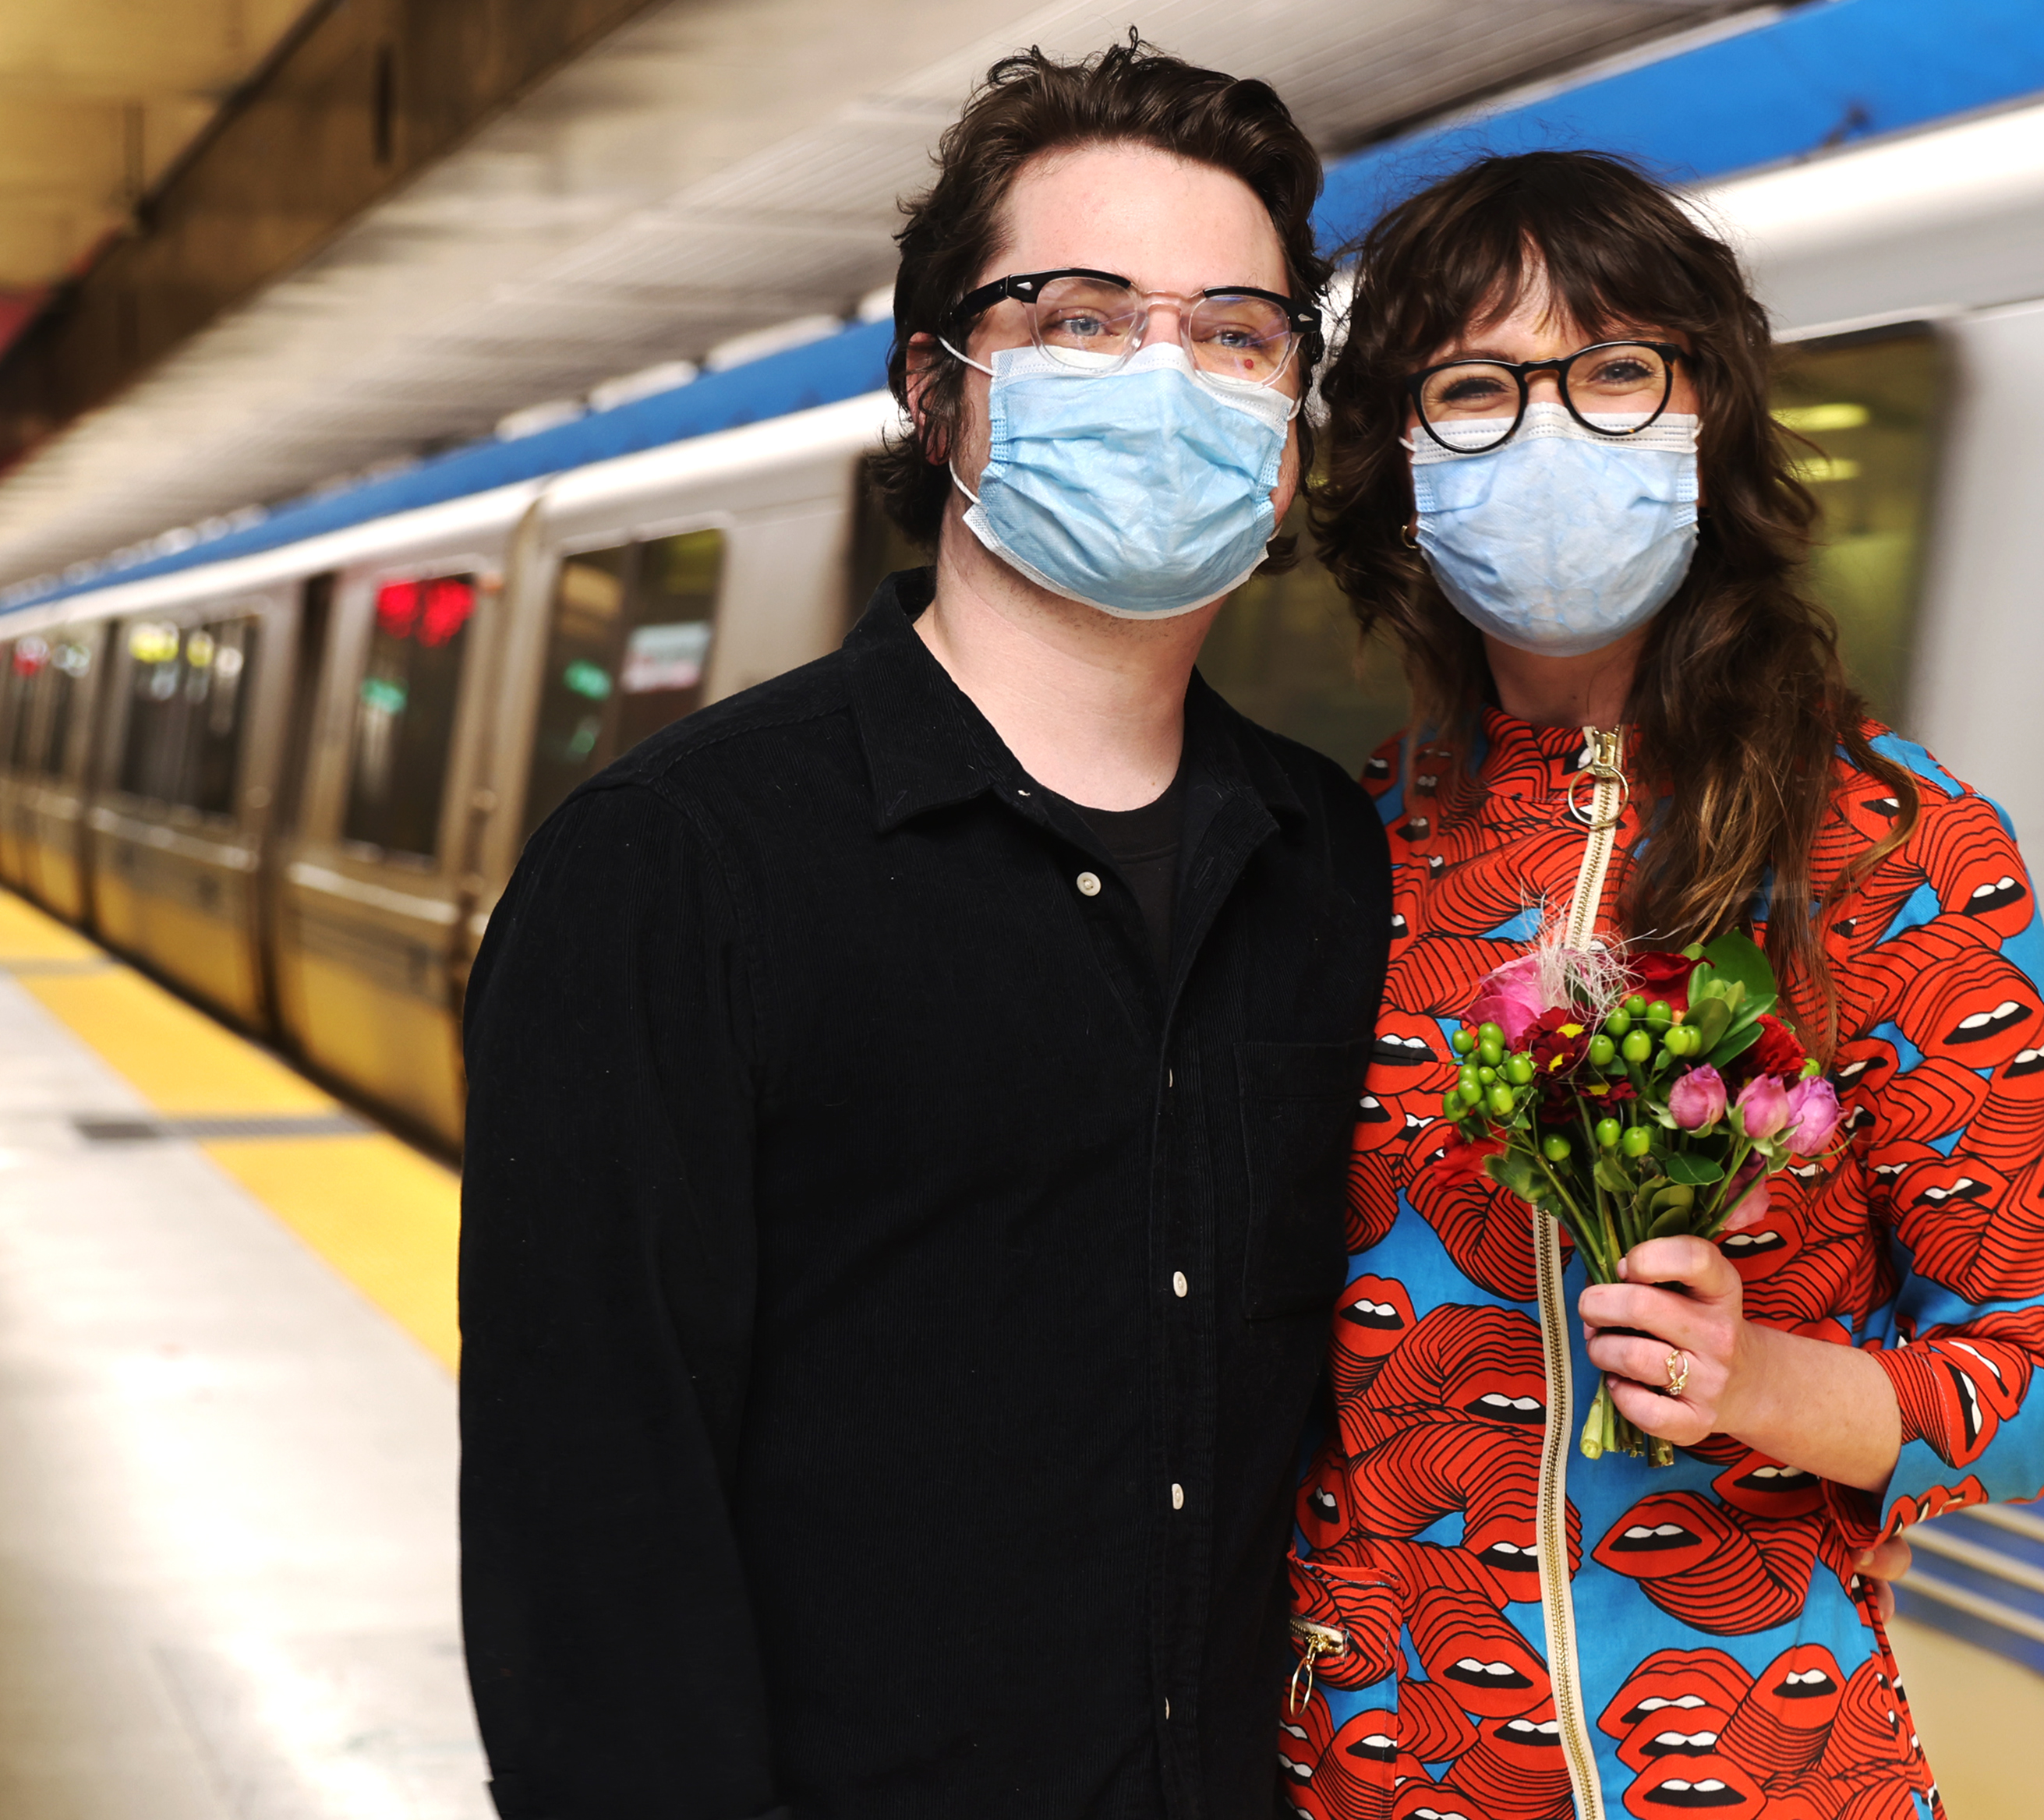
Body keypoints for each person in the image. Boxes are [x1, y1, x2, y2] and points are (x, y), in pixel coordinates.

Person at [458, 41, 1389, 1820]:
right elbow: (595, 1544)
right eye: (1080, 320)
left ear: (1287, 432)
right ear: (937, 387)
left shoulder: (1329, 862)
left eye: (1236, 334)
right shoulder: (677, 872)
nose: (1166, 376)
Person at [1278, 150, 2044, 1819]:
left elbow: (2032, 1390)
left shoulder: (1890, 846)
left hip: (1767, 1766)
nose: (1551, 429)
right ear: (1398, 460)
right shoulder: (1339, 852)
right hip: (1368, 1770)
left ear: (1705, 415)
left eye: (1617, 370)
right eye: (1474, 386)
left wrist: (1762, 1385)